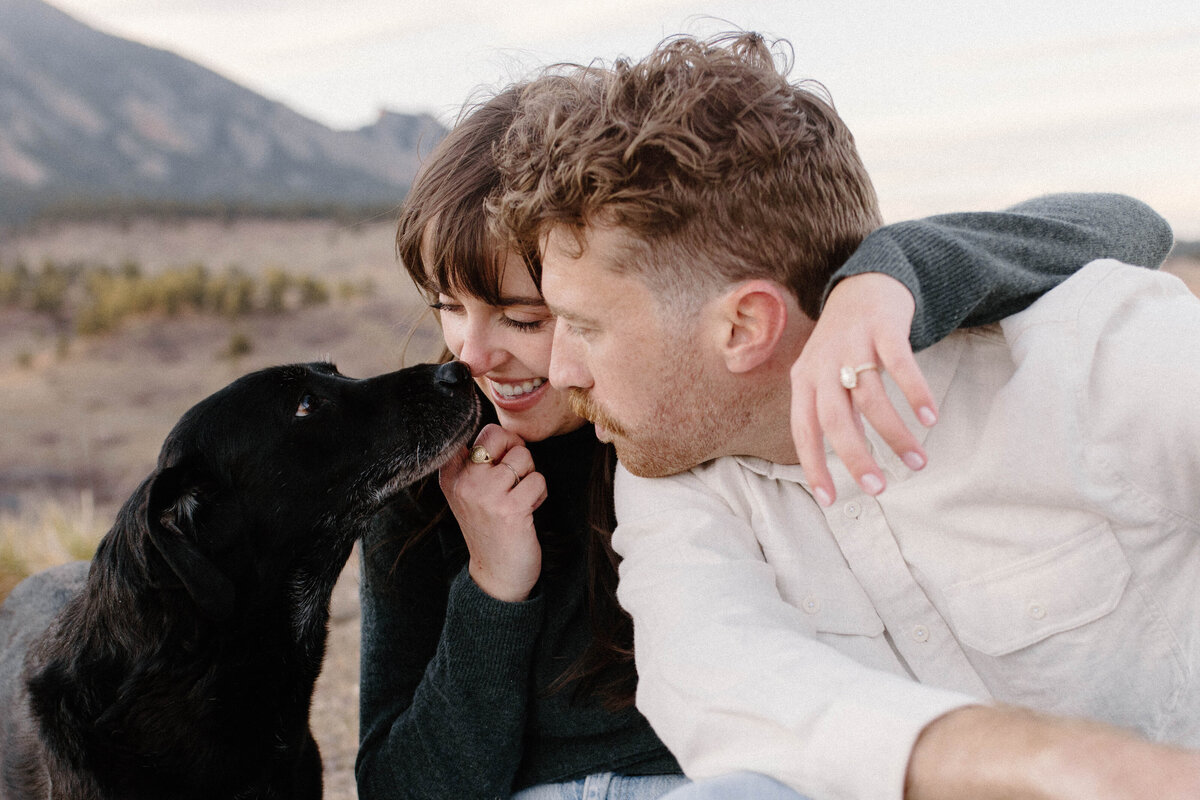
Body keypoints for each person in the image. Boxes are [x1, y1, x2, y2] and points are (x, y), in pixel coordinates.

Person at [355, 69, 1175, 800]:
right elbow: (727, 679)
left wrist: (890, 275)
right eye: (445, 307)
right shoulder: (520, 477)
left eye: (539, 318)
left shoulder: (690, 431)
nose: (471, 354)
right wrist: (497, 585)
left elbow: (1121, 223)